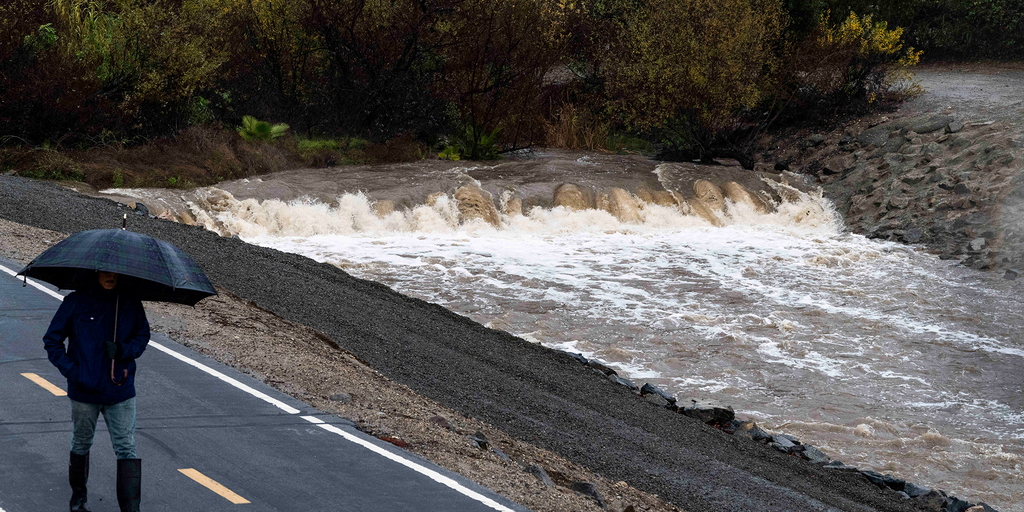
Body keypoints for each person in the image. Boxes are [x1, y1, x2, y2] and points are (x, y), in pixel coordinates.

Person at [44, 270, 149, 512]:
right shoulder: (75, 302)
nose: (111, 276)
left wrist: (123, 350)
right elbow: (52, 341)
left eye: (115, 273)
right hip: (85, 391)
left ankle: (131, 510)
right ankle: (78, 503)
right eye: (106, 272)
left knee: (126, 447)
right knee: (81, 443)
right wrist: (74, 372)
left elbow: (143, 336)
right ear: (96, 273)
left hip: (120, 390)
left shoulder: (130, 301)